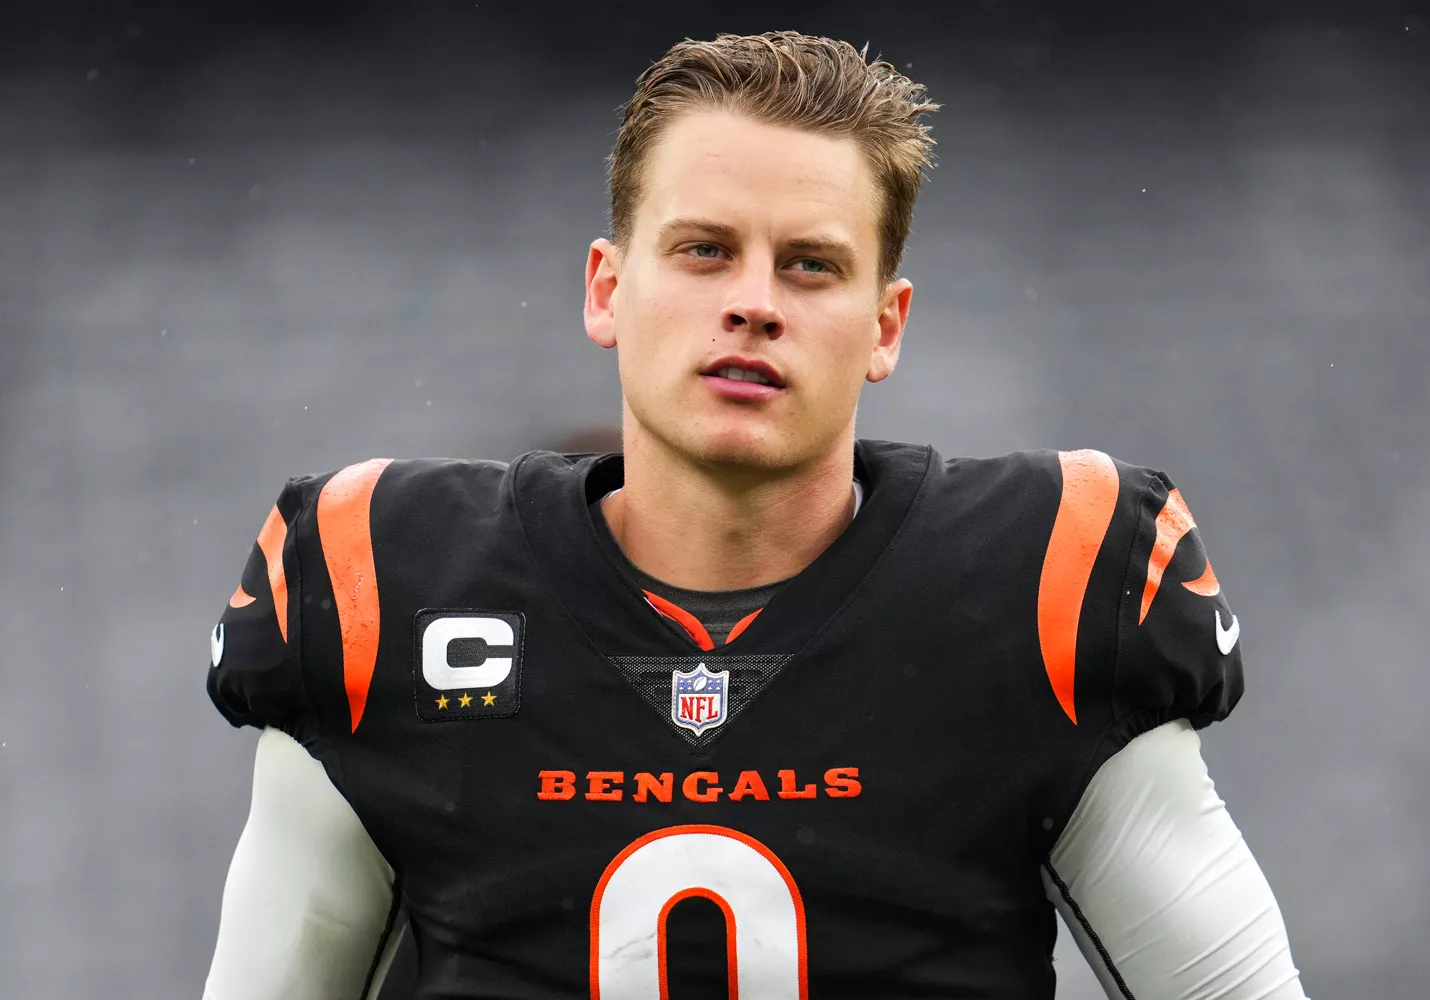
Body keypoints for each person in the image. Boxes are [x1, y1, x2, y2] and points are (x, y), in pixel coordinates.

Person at [202, 30, 1308, 1000]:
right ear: (606, 288)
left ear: (886, 325)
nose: (754, 302)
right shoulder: (379, 582)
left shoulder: (1043, 589)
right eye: (704, 249)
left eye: (812, 266)